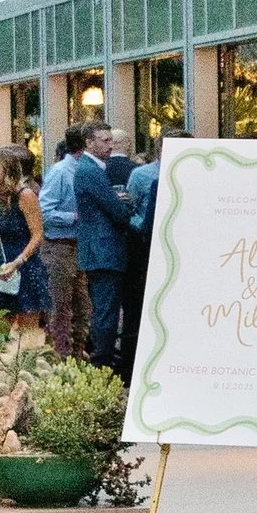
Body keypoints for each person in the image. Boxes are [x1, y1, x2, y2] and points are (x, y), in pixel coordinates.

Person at [69, 127, 138, 372]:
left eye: (111, 140)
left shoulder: (92, 168)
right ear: (89, 142)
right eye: (105, 140)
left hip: (100, 251)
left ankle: (103, 361)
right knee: (106, 312)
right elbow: (117, 212)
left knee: (104, 310)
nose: (110, 145)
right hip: (103, 251)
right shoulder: (90, 170)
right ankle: (102, 365)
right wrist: (124, 204)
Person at [0, 149, 48, 342]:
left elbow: (37, 235)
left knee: (28, 339)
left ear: (7, 171)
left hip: (27, 268)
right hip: (3, 271)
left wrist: (18, 261)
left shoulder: (25, 195)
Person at [38, 128, 91, 359]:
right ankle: (61, 359)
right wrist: (76, 217)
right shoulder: (60, 172)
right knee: (61, 307)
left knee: (83, 306)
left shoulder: (85, 171)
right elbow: (44, 211)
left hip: (79, 246)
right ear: (87, 145)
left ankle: (77, 355)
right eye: (104, 140)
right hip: (59, 246)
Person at [115, 138, 160, 374]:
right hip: (143, 248)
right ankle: (132, 363)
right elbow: (129, 210)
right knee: (138, 305)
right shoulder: (142, 175)